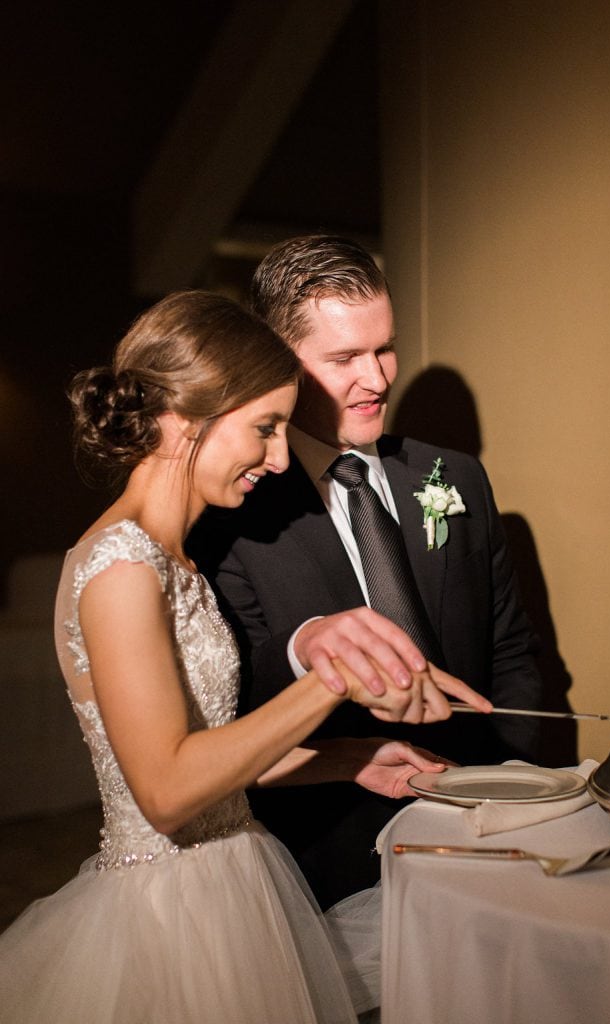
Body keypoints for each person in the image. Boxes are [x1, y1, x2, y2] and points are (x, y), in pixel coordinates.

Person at [0, 290, 490, 1024]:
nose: (279, 456)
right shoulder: (121, 567)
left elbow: (207, 761)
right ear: (181, 418)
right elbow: (164, 791)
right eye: (263, 428)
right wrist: (331, 679)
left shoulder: (175, 560)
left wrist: (348, 757)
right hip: (170, 917)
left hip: (237, 878)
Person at [187, 236, 543, 907]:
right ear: (276, 359)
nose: (378, 379)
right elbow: (232, 695)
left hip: (485, 832)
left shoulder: (455, 476)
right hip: (322, 858)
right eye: (344, 357)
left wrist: (507, 786)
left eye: (383, 348)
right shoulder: (232, 510)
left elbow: (510, 647)